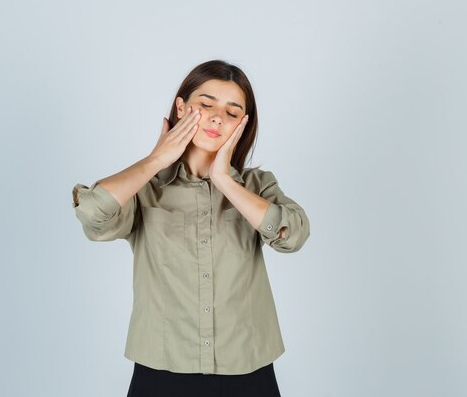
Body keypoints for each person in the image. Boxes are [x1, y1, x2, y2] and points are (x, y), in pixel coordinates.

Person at [71, 59, 310, 397]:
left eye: (231, 111)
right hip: (161, 367)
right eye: (205, 103)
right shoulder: (145, 188)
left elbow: (294, 234)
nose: (216, 117)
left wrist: (226, 182)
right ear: (181, 107)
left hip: (247, 366)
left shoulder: (256, 185)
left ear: (243, 123)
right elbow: (93, 213)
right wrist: (156, 159)